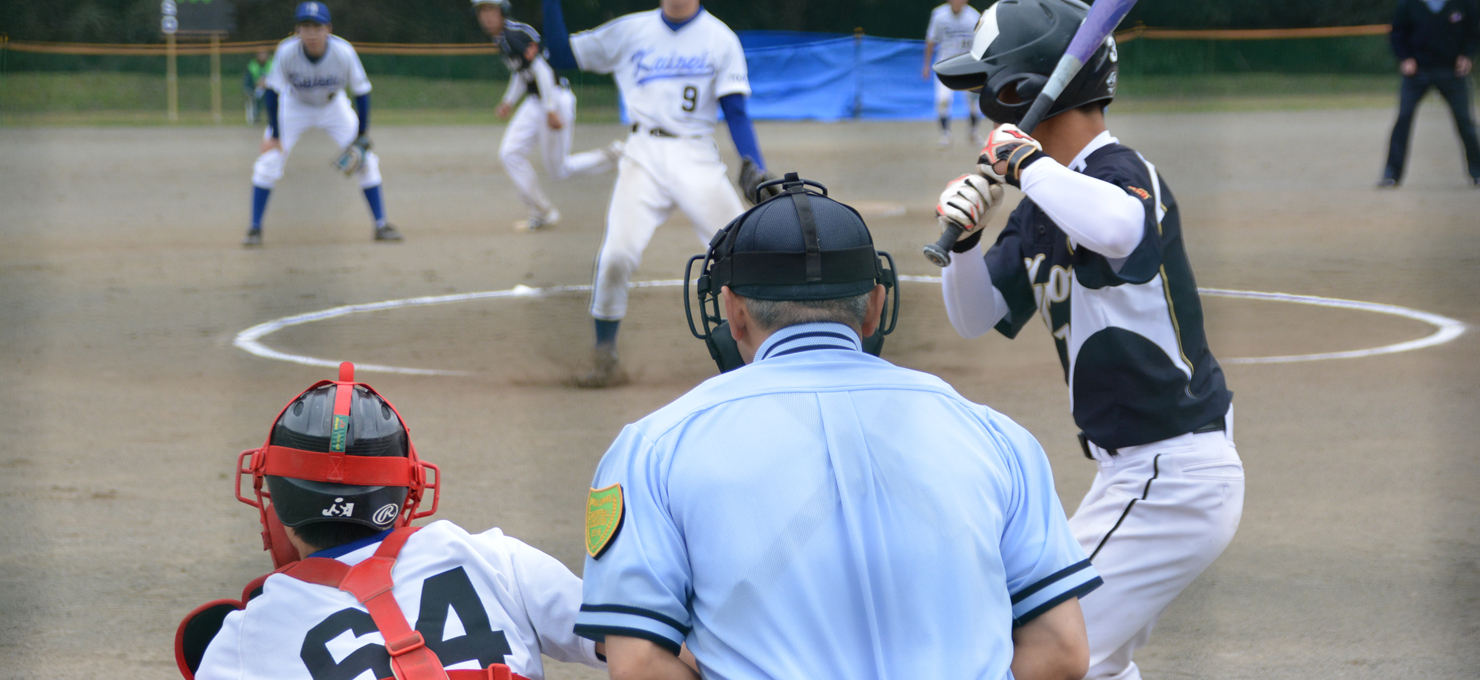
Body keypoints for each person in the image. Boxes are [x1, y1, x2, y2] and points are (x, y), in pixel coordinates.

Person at [572, 175, 1102, 680]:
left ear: (732, 313)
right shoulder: (996, 435)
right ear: (875, 306)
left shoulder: (654, 447)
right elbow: (1062, 649)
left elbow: (639, 664)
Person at [929, 2, 1245, 680]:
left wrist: (1030, 167)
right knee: (1085, 659)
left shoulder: (1118, 174)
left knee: (1036, 651)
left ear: (1017, 89)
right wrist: (965, 244)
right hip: (1132, 477)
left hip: (1173, 475)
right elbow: (975, 315)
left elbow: (1122, 230)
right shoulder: (1046, 201)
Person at [175, 363, 606, 680]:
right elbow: (639, 646)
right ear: (409, 491)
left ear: (279, 505)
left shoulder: (245, 636)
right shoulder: (494, 557)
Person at [540, 0, 775, 388]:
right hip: (642, 156)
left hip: (695, 152)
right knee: (615, 255)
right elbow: (562, 56)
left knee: (742, 251)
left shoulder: (719, 38)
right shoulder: (631, 31)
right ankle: (605, 357)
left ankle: (767, 353)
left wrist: (754, 162)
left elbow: (735, 111)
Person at [245, 1, 402, 247]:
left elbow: (362, 93)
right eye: (305, 26)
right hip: (294, 106)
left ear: (328, 29)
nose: (311, 33)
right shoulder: (286, 51)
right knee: (268, 161)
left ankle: (381, 225)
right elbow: (272, 93)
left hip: (333, 107)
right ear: (297, 30)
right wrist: (275, 134)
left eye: (316, 27)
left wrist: (362, 135)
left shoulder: (344, 52)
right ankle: (254, 229)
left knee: (366, 160)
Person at [474, 0, 623, 232]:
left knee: (558, 170)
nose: (486, 16)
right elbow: (523, 73)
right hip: (536, 101)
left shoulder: (515, 35)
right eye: (482, 11)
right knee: (510, 154)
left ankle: (615, 155)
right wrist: (509, 101)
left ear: (503, 11)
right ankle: (542, 212)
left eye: (491, 9)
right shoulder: (502, 38)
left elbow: (542, 71)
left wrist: (551, 109)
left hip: (553, 97)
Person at [1380, 0, 1480, 187]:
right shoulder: (1409, 4)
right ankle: (1391, 175)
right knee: (1403, 118)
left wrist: (1467, 55)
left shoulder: (1465, 3)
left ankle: (1478, 172)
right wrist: (1405, 57)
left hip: (1452, 72)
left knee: (1465, 120)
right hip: (1417, 72)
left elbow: (1474, 31)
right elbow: (1397, 32)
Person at [923, 0, 983, 149]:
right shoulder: (939, 15)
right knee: (943, 100)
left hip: (967, 66)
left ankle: (973, 132)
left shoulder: (974, 16)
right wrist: (926, 65)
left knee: (974, 103)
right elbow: (931, 40)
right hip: (946, 65)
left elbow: (980, 43)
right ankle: (945, 135)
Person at [244, 49, 272, 125]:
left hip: (269, 88)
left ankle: (271, 118)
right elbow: (247, 79)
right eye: (261, 55)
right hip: (255, 88)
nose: (263, 57)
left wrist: (266, 83)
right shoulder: (252, 65)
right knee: (256, 98)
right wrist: (254, 85)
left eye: (264, 55)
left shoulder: (272, 64)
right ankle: (255, 117)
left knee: (271, 98)